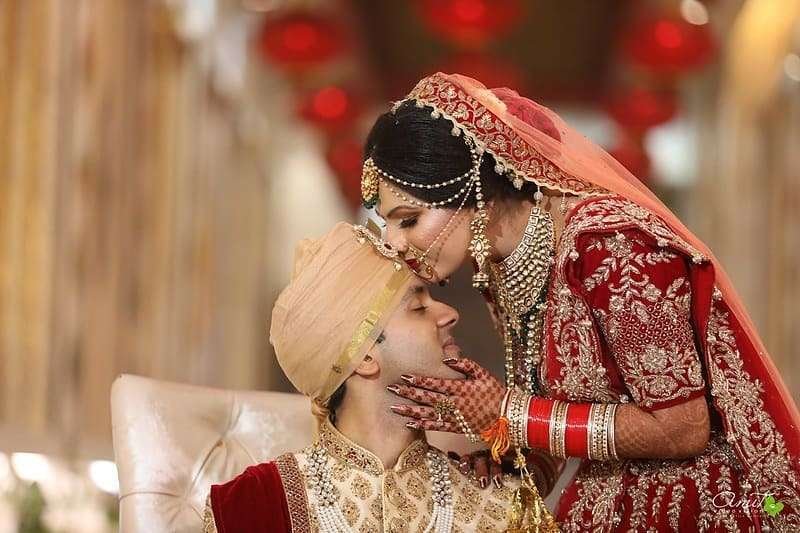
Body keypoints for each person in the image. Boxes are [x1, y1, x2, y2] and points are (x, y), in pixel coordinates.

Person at [361, 72, 800, 531]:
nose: (393, 243)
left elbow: (683, 427)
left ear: (473, 192)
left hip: (702, 502)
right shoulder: (500, 269)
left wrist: (508, 413)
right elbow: (565, 411)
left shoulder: (610, 243)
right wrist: (515, 465)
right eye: (388, 224)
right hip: (604, 493)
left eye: (408, 219)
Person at [203, 222, 558, 532]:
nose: (450, 314)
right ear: (364, 357)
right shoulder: (251, 507)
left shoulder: (497, 503)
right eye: (418, 307)